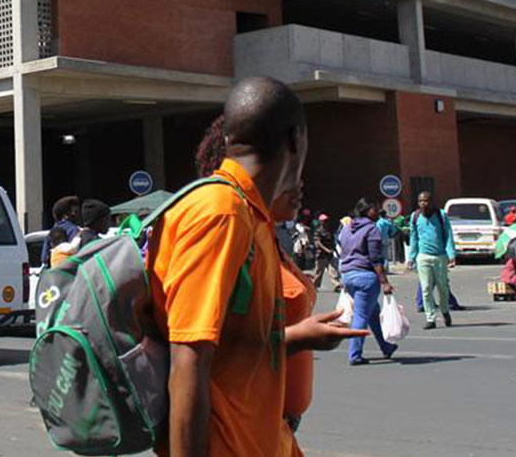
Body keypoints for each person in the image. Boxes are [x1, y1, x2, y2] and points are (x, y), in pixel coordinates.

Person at [148, 77, 362, 457]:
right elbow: (188, 362)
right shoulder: (220, 213)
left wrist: (296, 337)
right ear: (296, 140)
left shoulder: (251, 215)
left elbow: (231, 350)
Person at [272, 184, 317, 436]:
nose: (299, 186)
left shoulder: (270, 237)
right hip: (260, 414)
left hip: (283, 419)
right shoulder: (233, 232)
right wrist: (300, 336)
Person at [338, 198, 398, 366]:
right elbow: (376, 259)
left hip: (348, 275)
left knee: (373, 313)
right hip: (365, 277)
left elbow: (342, 250)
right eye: (374, 209)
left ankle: (386, 347)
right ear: (365, 211)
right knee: (361, 316)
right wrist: (384, 281)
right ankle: (355, 354)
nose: (377, 212)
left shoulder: (348, 228)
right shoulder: (372, 229)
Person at [407, 190, 456, 330]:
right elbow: (413, 238)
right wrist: (411, 257)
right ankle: (430, 318)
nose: (423, 204)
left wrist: (451, 254)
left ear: (432, 201)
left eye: (426, 201)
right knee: (426, 288)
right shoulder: (415, 216)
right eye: (420, 201)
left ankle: (445, 310)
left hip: (440, 256)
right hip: (423, 257)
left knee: (443, 287)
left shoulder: (441, 215)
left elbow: (448, 235)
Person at [42, 195, 80, 268]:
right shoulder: (74, 230)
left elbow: (44, 258)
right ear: (65, 215)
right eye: (75, 212)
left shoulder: (51, 232)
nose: (78, 215)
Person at [312, 214, 340, 291]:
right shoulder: (318, 231)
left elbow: (332, 242)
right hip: (321, 254)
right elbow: (318, 242)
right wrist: (326, 249)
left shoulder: (329, 231)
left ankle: (337, 285)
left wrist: (335, 251)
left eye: (326, 221)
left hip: (329, 254)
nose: (325, 222)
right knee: (319, 272)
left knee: (333, 270)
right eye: (324, 221)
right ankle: (314, 285)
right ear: (320, 222)